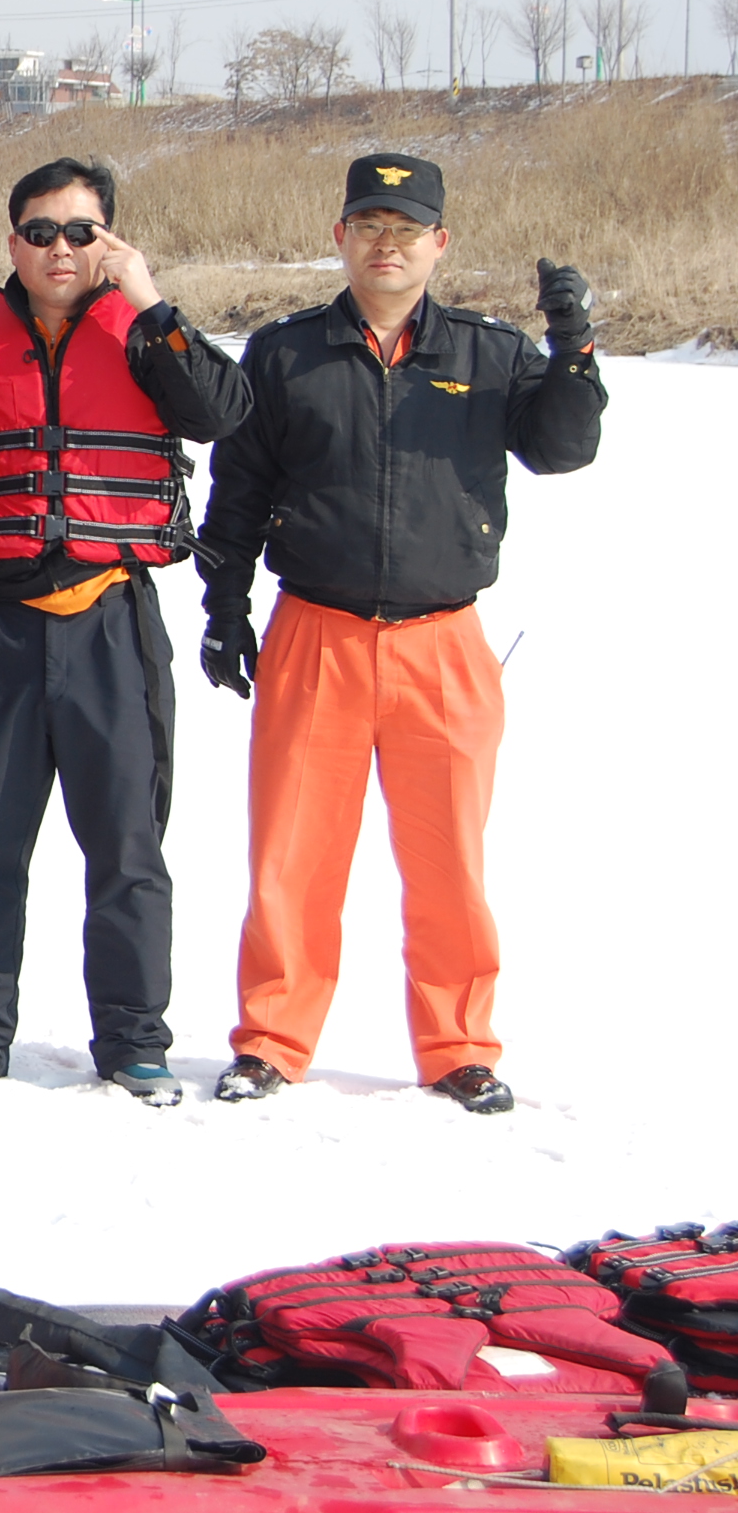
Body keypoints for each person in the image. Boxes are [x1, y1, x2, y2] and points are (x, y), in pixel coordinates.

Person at [197, 154, 605, 1115]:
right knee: (291, 859)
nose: (388, 244)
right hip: (317, 634)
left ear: (439, 243)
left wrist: (574, 348)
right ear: (340, 237)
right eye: (370, 225)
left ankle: (459, 1046)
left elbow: (563, 448)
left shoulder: (489, 354)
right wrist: (226, 605)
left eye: (407, 228)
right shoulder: (286, 354)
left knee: (449, 863)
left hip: (445, 643)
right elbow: (239, 489)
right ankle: (271, 1040)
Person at [0, 156, 250, 1105]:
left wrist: (150, 301)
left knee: (128, 848)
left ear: (108, 242)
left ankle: (133, 1040)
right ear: (12, 243)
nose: (60, 248)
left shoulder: (147, 341)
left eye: (81, 232)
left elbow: (223, 413)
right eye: (40, 232)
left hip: (110, 623)